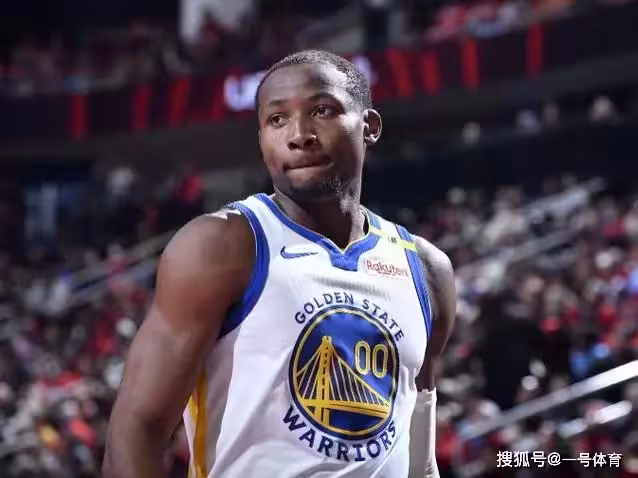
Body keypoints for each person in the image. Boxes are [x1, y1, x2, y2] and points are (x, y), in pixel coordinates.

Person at [102, 49, 456, 478]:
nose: (299, 134)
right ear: (261, 140)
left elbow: (419, 456)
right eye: (277, 119)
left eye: (322, 111)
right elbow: (137, 428)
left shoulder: (426, 270)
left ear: (370, 126)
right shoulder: (221, 245)